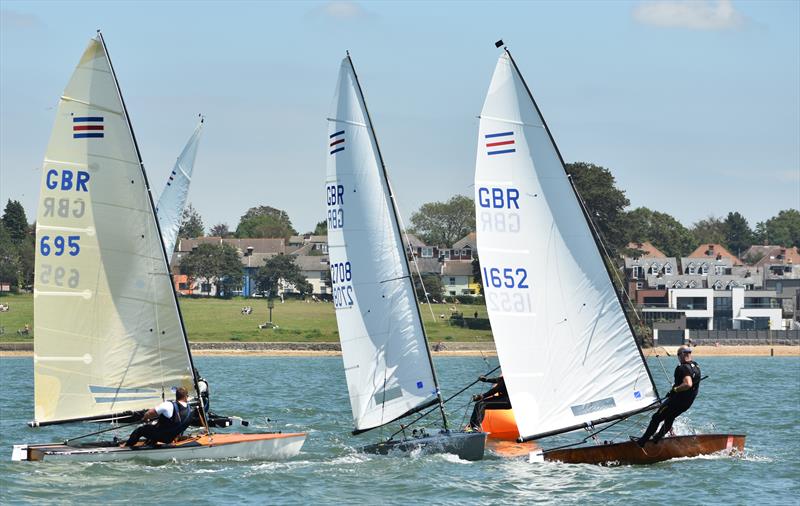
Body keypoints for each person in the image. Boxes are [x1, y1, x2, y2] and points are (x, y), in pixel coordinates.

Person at [636, 346, 701, 447]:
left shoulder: (683, 367)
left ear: (682, 355)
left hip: (676, 401)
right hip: (687, 403)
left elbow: (688, 384)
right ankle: (658, 438)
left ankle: (642, 442)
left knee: (656, 418)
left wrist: (675, 389)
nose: (678, 358)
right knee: (670, 417)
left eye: (678, 355)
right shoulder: (696, 366)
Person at [124, 387, 193, 447]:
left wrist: (145, 418)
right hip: (171, 438)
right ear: (186, 396)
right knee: (154, 428)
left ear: (176, 395)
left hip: (162, 436)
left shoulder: (168, 405)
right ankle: (149, 445)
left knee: (139, 430)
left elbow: (149, 413)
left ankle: (126, 447)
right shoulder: (191, 411)